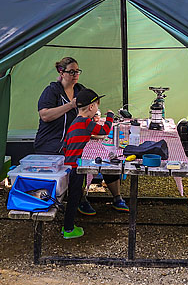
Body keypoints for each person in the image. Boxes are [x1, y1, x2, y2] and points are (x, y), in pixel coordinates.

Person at [35, 57, 127, 217]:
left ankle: (117, 197)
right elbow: (45, 116)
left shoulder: (80, 89)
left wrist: (94, 115)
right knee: (78, 161)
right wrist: (70, 105)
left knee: (105, 155)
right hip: (53, 142)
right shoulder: (52, 91)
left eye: (77, 71)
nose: (75, 74)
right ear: (61, 72)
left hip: (75, 139)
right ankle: (80, 198)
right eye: (71, 71)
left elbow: (90, 109)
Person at [61, 88, 130, 239]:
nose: (98, 109)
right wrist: (110, 116)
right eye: (98, 106)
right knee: (73, 198)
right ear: (92, 107)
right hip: (76, 167)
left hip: (69, 164)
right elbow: (105, 130)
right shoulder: (86, 122)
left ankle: (68, 226)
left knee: (73, 196)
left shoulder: (76, 121)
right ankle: (68, 229)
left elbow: (66, 144)